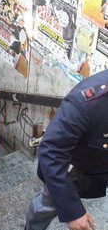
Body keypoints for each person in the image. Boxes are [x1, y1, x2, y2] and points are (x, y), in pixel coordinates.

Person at [25, 69, 108, 230]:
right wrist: (73, 211)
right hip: (79, 168)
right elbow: (51, 152)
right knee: (46, 206)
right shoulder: (87, 102)